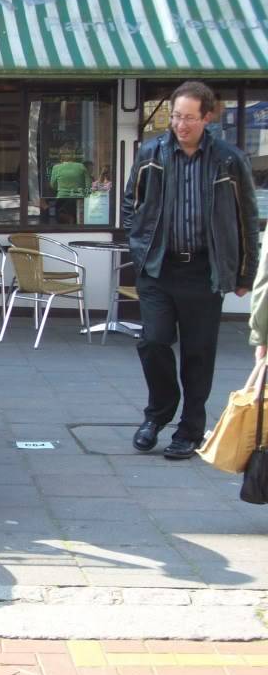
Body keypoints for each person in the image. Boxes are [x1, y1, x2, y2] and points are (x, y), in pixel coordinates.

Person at [124, 80, 259, 460]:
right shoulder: (152, 153)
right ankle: (158, 413)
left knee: (198, 354)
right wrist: (140, 249)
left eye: (188, 118)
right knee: (153, 341)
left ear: (207, 117)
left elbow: (247, 217)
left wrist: (245, 272)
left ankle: (190, 430)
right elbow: (131, 203)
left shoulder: (228, 160)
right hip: (159, 269)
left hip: (203, 271)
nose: (180, 125)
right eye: (176, 117)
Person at [49, 144, 89, 224]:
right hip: (79, 200)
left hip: (62, 200)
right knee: (80, 225)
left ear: (61, 156)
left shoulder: (56, 168)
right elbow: (88, 185)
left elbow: (53, 185)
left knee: (62, 227)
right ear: (73, 155)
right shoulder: (81, 166)